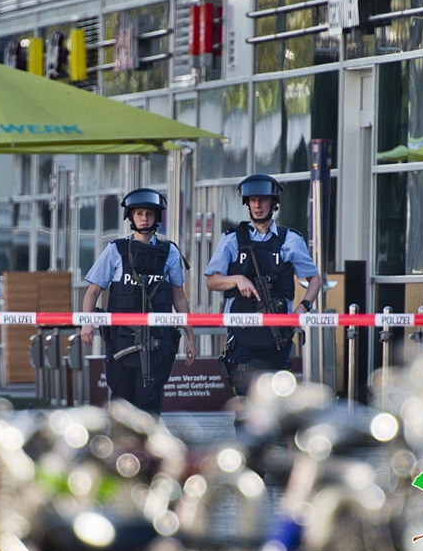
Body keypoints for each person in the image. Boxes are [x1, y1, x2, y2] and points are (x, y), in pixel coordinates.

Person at [80, 188, 196, 415]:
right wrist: (86, 322)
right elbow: (93, 291)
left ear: (156, 217)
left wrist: (190, 338)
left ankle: (148, 439)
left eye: (149, 214)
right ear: (131, 217)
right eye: (139, 213)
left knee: (149, 405)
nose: (144, 218)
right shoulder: (116, 250)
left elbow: (179, 297)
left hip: (157, 342)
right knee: (121, 404)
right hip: (121, 342)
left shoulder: (169, 252)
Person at [204, 173, 322, 396]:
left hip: (278, 335)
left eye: (263, 200)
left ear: (274, 203)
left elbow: (314, 279)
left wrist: (303, 307)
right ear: (247, 203)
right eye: (253, 200)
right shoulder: (232, 239)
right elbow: (212, 281)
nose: (257, 205)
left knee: (274, 397)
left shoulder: (290, 239)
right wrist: (237, 279)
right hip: (242, 334)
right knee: (246, 395)